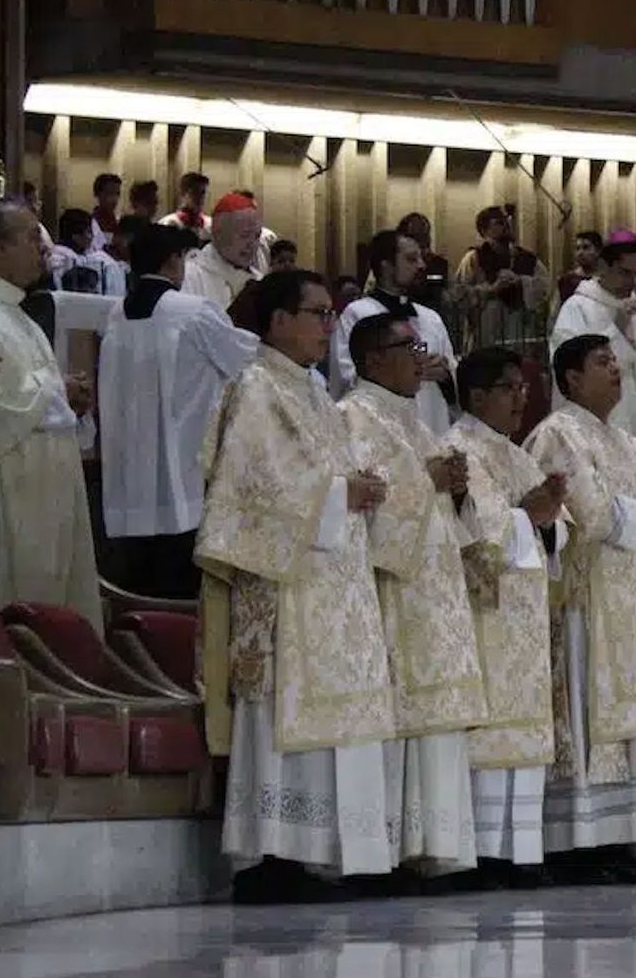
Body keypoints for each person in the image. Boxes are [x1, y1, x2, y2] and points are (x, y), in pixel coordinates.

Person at [197, 269, 398, 903]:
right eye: (317, 313)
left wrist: (358, 487)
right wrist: (340, 493)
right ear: (279, 320)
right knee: (285, 713)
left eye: (331, 314)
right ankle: (275, 856)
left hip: (335, 583)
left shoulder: (310, 392)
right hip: (287, 589)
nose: (327, 326)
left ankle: (323, 855)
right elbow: (252, 487)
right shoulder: (257, 388)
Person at [523, 334, 636, 862]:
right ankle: (590, 841)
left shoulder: (630, 442)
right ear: (572, 378)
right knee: (594, 710)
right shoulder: (557, 434)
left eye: (616, 360)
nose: (616, 369)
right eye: (602, 362)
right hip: (593, 599)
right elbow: (590, 513)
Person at [339, 313, 491, 879]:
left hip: (435, 592)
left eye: (421, 347)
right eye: (410, 348)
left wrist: (457, 492)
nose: (421, 359)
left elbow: (442, 504)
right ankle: (398, 849)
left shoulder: (416, 423)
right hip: (395, 595)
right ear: (374, 359)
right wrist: (430, 482)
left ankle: (437, 848)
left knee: (438, 724)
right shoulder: (353, 416)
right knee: (407, 723)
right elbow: (364, 507)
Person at [0, 199, 100, 624]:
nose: (44, 248)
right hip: (10, 487)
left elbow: (28, 393)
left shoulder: (15, 313)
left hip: (47, 487)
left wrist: (68, 398)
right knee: (19, 614)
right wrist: (58, 390)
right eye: (32, 237)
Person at [445, 346, 567, 880]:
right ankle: (484, 850)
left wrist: (548, 519)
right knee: (493, 733)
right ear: (476, 396)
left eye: (523, 388)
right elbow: (475, 535)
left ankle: (520, 851)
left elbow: (552, 528)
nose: (521, 398)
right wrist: (528, 517)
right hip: (486, 614)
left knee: (524, 730)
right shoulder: (458, 449)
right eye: (509, 388)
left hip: (525, 614)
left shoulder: (515, 454)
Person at [98, 222, 258, 598]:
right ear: (173, 261)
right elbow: (246, 360)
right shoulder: (193, 311)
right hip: (184, 463)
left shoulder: (117, 313)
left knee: (137, 577)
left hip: (129, 465)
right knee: (180, 576)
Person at [550, 230, 636, 493]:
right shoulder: (578, 308)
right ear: (604, 265)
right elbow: (569, 370)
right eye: (625, 273)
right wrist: (616, 328)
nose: (632, 282)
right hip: (608, 421)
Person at [330, 229, 457, 436]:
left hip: (431, 423)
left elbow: (452, 370)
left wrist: (446, 374)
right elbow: (346, 377)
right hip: (381, 430)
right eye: (411, 259)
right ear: (386, 266)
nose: (421, 266)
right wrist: (400, 371)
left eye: (421, 259)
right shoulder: (358, 314)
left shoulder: (430, 318)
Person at [454, 204, 550, 350]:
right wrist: (492, 289)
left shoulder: (527, 258)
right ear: (484, 230)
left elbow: (545, 288)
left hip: (518, 332)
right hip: (486, 330)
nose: (507, 225)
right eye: (499, 222)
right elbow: (459, 294)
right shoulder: (473, 258)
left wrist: (521, 282)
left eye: (507, 220)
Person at [180, 192, 261, 312]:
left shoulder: (259, 280)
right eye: (244, 235)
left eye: (257, 236)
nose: (252, 244)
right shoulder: (190, 276)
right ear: (217, 233)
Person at [49, 208, 126, 296]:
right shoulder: (60, 260)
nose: (92, 237)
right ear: (75, 235)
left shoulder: (86, 256)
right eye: (89, 232)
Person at [396, 212, 449, 311]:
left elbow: (449, 295)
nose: (422, 240)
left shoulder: (439, 264)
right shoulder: (394, 263)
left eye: (424, 234)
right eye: (415, 235)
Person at [159, 171, 212, 238]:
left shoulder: (210, 225)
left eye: (202, 192)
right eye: (195, 192)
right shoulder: (168, 223)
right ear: (183, 193)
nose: (200, 197)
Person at [559, 230, 602, 305]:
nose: (580, 253)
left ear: (598, 251)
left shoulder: (606, 279)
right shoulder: (567, 280)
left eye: (586, 248)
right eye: (577, 248)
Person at [89, 173, 123, 254]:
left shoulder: (116, 221)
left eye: (117, 194)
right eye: (109, 193)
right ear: (98, 194)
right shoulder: (92, 223)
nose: (114, 199)